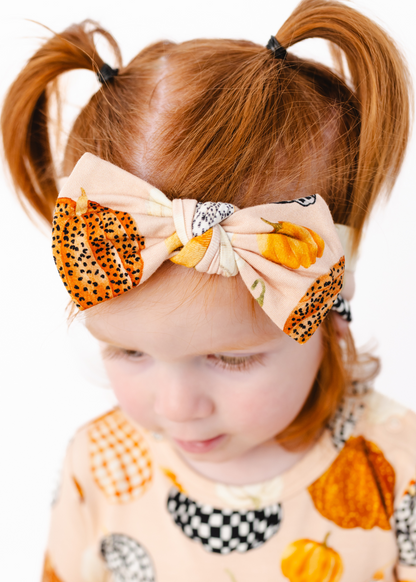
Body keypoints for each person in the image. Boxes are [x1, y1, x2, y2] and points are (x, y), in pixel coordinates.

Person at [2, 0, 415, 580]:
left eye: (231, 357)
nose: (175, 407)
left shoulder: (398, 473)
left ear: (325, 297)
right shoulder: (99, 468)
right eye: (129, 352)